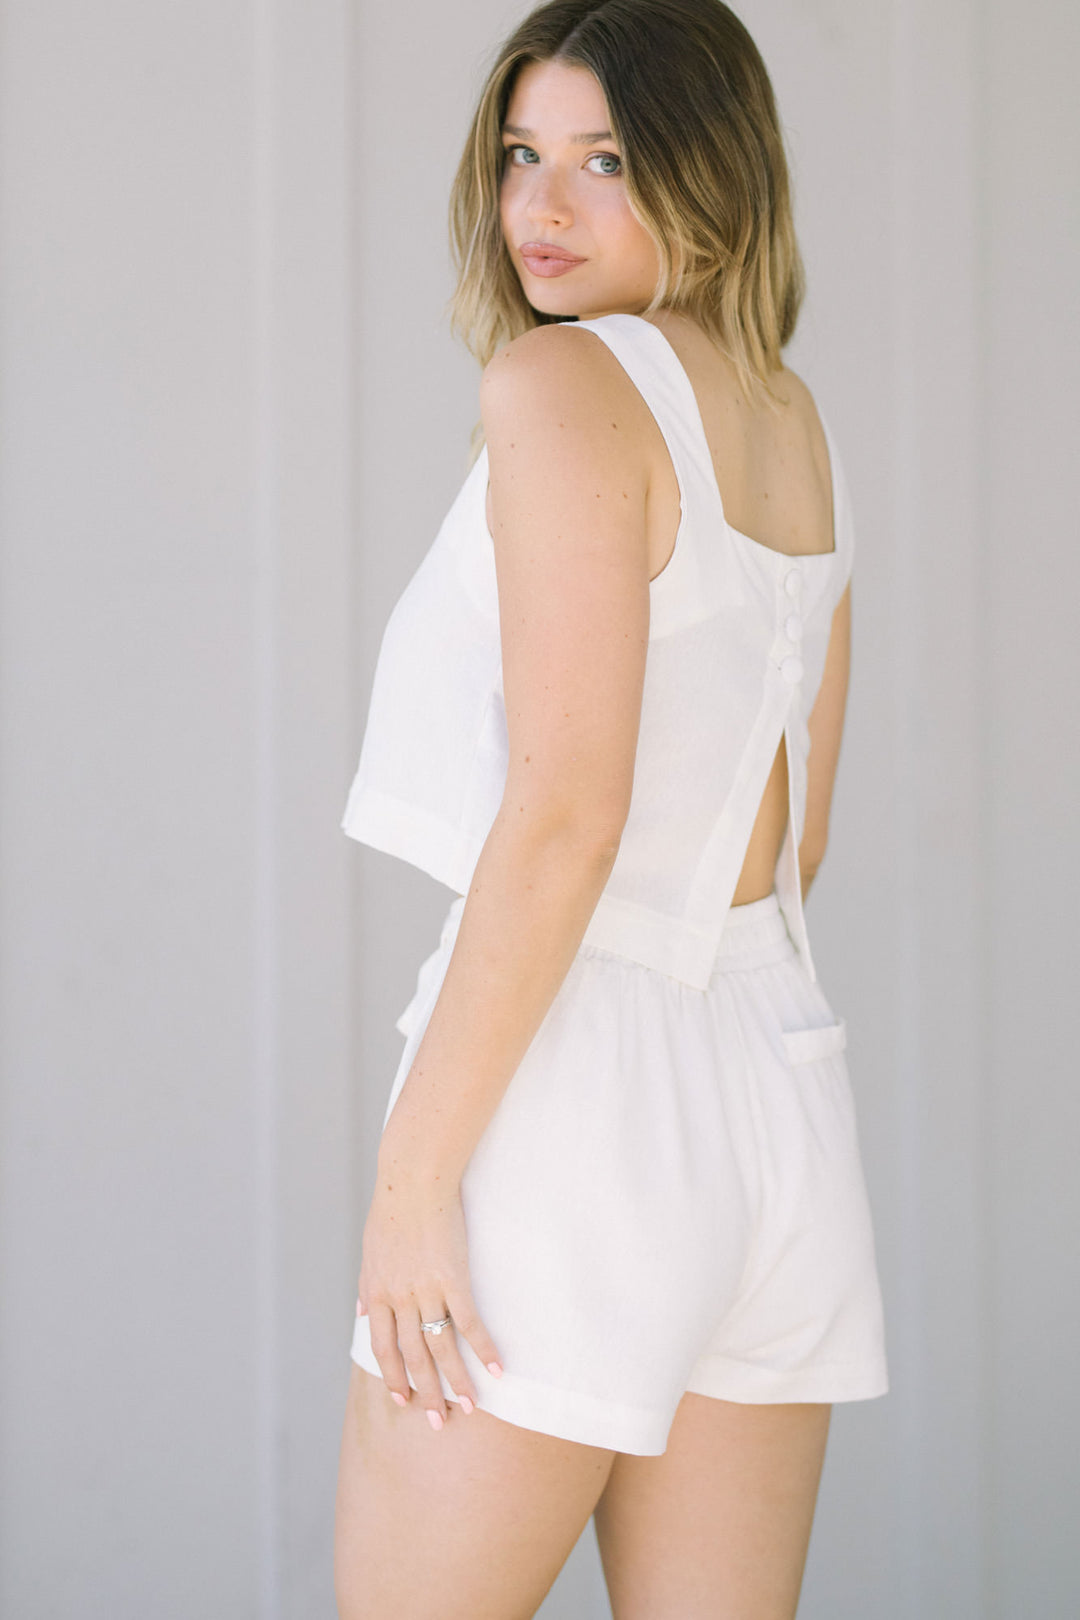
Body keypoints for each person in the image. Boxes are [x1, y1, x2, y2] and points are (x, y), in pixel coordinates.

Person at [334, 1, 888, 1615]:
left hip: (571, 1101)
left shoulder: (564, 383)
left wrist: (415, 1186)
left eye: (605, 161)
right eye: (522, 156)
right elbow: (808, 833)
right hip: (776, 1087)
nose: (542, 209)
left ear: (710, 174)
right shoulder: (790, 419)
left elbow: (568, 820)